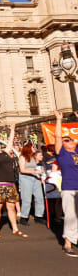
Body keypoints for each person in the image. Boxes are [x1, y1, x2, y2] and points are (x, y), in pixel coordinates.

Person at [0, 124, 28, 239]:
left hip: (10, 184)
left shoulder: (6, 152)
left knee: (11, 207)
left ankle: (15, 229)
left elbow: (9, 141)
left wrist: (12, 129)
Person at [53, 110, 78, 257]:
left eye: (72, 139)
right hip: (69, 187)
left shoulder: (77, 151)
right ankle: (67, 243)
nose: (71, 141)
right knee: (70, 216)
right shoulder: (62, 154)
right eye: (67, 140)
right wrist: (59, 120)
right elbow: (57, 137)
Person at [18, 142, 46, 225]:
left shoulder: (33, 157)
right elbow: (22, 170)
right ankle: (24, 216)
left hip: (35, 178)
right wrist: (35, 171)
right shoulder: (22, 157)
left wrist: (38, 175)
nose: (35, 149)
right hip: (25, 178)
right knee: (26, 198)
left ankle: (39, 215)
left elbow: (35, 167)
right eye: (33, 147)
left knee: (39, 197)